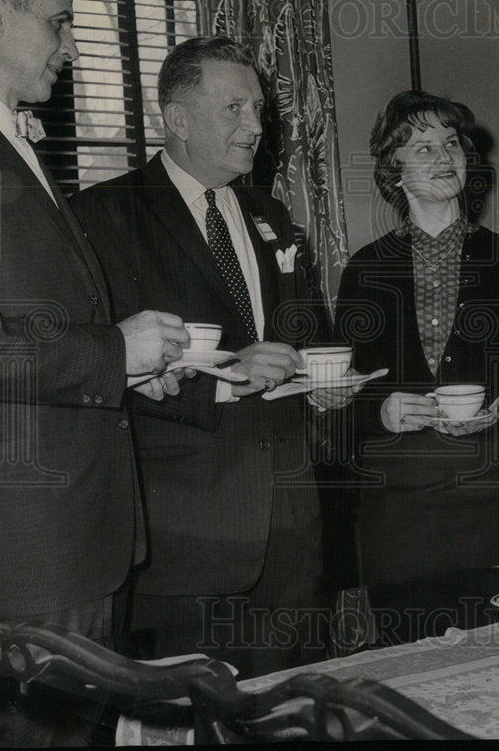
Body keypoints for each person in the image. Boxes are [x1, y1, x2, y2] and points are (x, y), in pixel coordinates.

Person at [0, 0, 188, 746]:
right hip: (19, 561)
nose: (73, 48)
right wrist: (111, 354)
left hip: (62, 545)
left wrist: (123, 373)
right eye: (60, 23)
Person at [70, 36, 352, 677]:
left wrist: (325, 382)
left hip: (291, 528)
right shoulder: (103, 214)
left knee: (291, 707)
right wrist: (226, 379)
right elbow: (95, 365)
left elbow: (306, 338)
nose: (255, 126)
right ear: (176, 118)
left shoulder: (271, 215)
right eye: (235, 109)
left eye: (258, 109)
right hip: (182, 537)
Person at [335, 90, 499, 644]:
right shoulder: (365, 271)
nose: (443, 156)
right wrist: (381, 410)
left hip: (494, 501)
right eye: (421, 147)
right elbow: (336, 392)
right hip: (401, 510)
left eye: (451, 142)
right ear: (393, 168)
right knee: (410, 665)